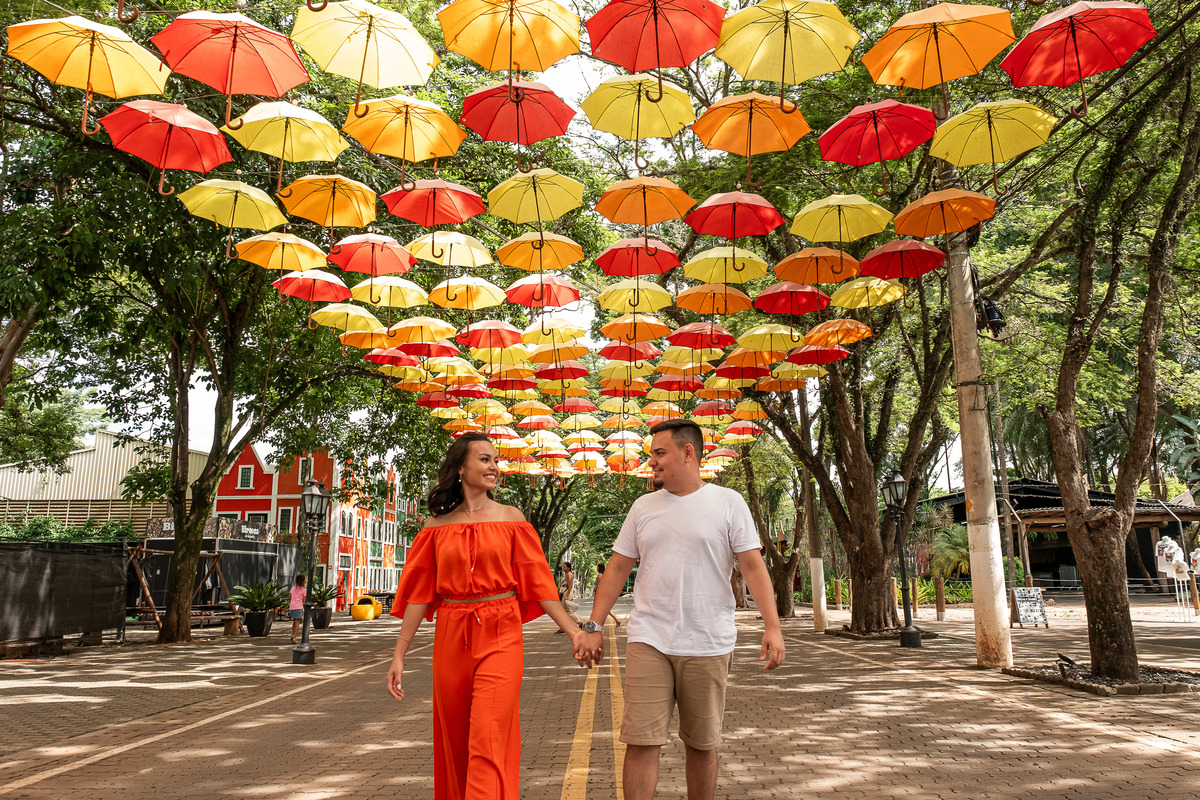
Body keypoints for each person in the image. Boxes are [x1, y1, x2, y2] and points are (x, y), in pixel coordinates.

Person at [575, 418, 785, 800]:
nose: (651, 462)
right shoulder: (643, 507)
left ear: (688, 453)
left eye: (659, 453)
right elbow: (618, 568)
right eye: (651, 454)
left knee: (701, 745)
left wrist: (772, 626)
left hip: (707, 641)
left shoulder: (728, 502)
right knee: (640, 741)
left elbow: (753, 566)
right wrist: (592, 624)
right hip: (649, 638)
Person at [387, 432, 586, 800]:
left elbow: (540, 586)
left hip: (500, 630)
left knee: (487, 737)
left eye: (495, 460)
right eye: (484, 459)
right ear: (460, 468)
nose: (494, 466)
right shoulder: (434, 528)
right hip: (450, 634)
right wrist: (400, 652)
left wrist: (574, 632)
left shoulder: (513, 520)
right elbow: (419, 595)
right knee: (458, 741)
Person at [555, 561, 580, 634]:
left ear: (569, 568)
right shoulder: (567, 574)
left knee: (565, 611)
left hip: (566, 593)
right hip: (565, 592)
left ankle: (578, 623)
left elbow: (570, 586)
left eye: (565, 567)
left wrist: (566, 596)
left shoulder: (569, 575)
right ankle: (566, 627)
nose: (563, 568)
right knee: (566, 611)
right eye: (563, 566)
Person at [288, 574, 306, 644]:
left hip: (292, 607)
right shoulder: (304, 590)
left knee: (294, 622)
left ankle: (293, 634)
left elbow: (290, 597)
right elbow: (304, 600)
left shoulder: (292, 588)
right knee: (297, 622)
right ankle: (294, 637)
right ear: (304, 581)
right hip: (298, 607)